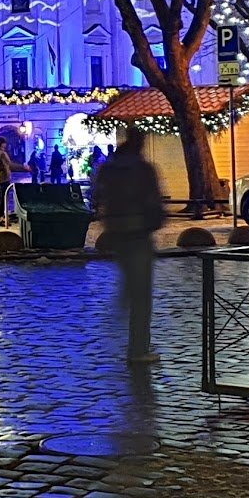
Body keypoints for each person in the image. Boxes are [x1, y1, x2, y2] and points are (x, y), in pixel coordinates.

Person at [93, 126, 164, 365]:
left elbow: (97, 195)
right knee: (141, 295)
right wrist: (155, 220)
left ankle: (122, 308)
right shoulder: (143, 169)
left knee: (131, 283)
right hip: (139, 231)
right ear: (140, 144)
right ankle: (138, 349)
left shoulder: (108, 168)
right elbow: (153, 200)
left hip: (116, 230)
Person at [0, 145, 15, 228]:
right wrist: (23, 167)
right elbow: (9, 164)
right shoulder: (1, 154)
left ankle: (0, 217)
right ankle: (0, 218)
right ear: (2, 144)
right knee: (2, 198)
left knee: (0, 198)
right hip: (3, 178)